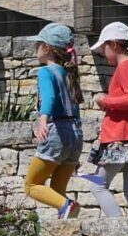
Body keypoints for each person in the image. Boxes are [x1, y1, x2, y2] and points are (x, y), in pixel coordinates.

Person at [78, 21, 128, 215]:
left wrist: (105, 100)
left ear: (114, 44)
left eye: (104, 48)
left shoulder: (124, 68)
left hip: (121, 137)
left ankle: (119, 228)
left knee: (98, 185)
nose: (103, 54)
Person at [22, 23, 86, 217]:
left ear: (47, 48)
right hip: (75, 134)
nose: (35, 49)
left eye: (38, 44)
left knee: (32, 185)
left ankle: (67, 206)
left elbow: (48, 97)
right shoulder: (70, 73)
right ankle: (66, 214)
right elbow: (75, 106)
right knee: (58, 194)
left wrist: (43, 119)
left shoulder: (46, 72)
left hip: (57, 130)